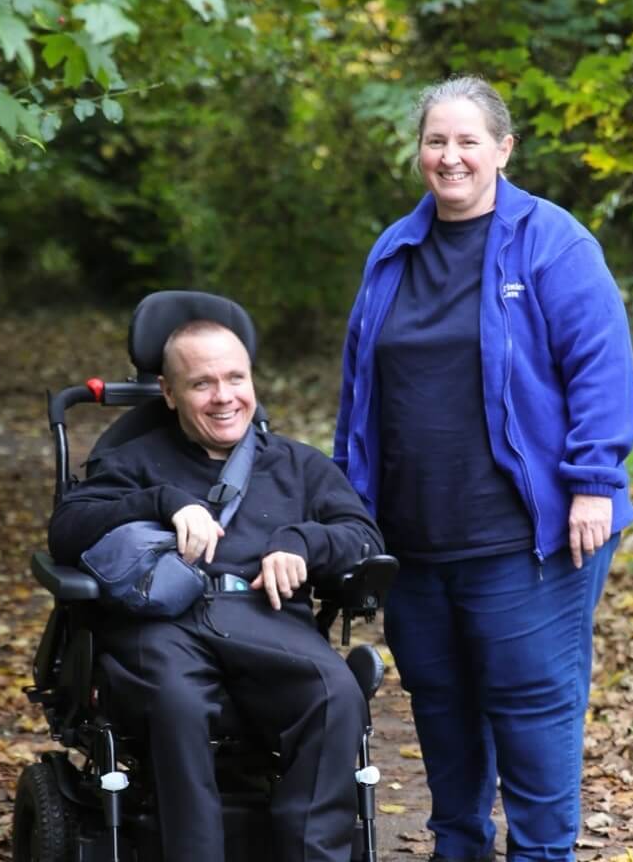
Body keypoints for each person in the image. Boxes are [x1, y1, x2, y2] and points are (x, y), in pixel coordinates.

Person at [334, 76, 633, 862]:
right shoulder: (395, 250)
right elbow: (359, 388)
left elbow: (601, 366)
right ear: (420, 154)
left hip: (527, 540)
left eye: (469, 140)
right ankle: (458, 849)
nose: (451, 156)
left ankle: (543, 855)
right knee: (440, 707)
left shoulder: (554, 243)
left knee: (533, 708)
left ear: (503, 149)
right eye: (437, 140)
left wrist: (595, 483)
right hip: (416, 540)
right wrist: (347, 507)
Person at [49, 319, 384, 862]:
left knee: (335, 694)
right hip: (163, 628)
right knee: (177, 703)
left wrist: (301, 542)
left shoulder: (298, 465)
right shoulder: (132, 461)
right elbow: (66, 532)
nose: (224, 397)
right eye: (202, 383)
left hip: (266, 618)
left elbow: (363, 537)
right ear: (169, 392)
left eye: (236, 378)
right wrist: (163, 502)